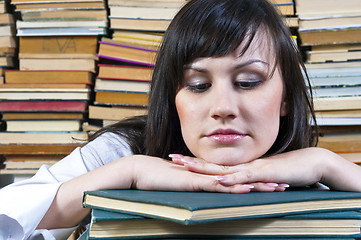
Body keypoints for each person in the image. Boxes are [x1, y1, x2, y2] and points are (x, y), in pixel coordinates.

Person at [1, 0, 361, 239]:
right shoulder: (121, 151)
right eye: (199, 85)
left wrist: (328, 163)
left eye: (248, 82)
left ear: (285, 98)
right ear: (174, 99)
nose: (223, 107)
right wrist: (128, 172)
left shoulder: (314, 175)